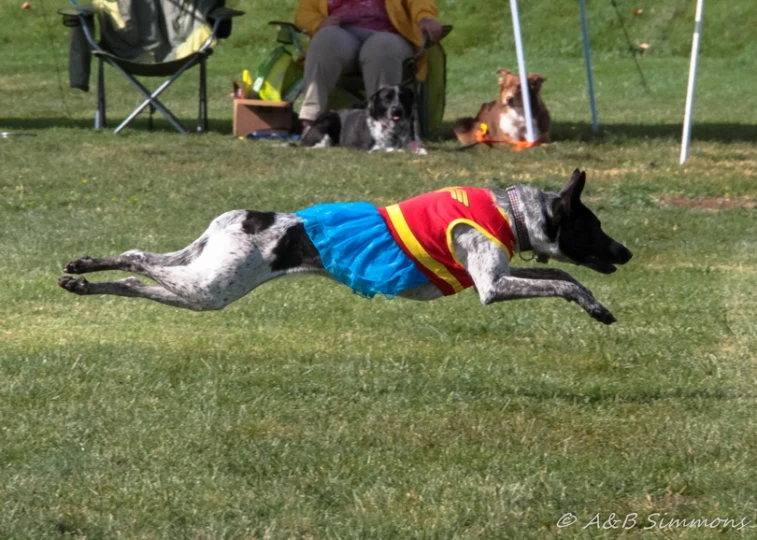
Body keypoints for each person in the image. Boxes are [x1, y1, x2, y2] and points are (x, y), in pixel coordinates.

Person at [294, 0, 442, 129]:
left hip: (389, 35)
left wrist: (426, 18)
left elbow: (419, 2)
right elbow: (304, 12)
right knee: (326, 38)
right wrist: (317, 23)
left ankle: (384, 124)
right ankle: (311, 121)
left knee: (381, 46)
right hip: (341, 36)